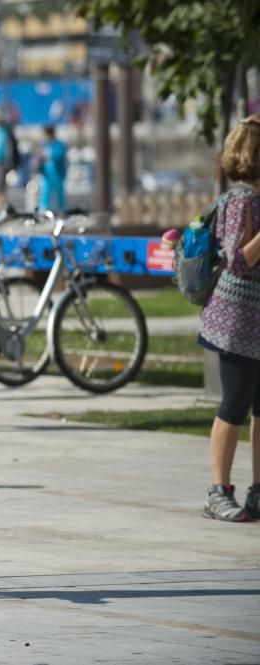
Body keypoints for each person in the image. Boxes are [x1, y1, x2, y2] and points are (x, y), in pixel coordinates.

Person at [197, 114, 260, 522]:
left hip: (254, 320)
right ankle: (217, 490)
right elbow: (238, 261)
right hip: (237, 321)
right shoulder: (242, 200)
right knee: (234, 404)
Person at [36, 125, 68, 211]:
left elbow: (59, 155)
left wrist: (47, 155)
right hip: (46, 173)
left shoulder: (59, 145)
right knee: (45, 192)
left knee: (59, 192)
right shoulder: (44, 145)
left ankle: (61, 209)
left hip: (58, 173)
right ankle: (44, 209)